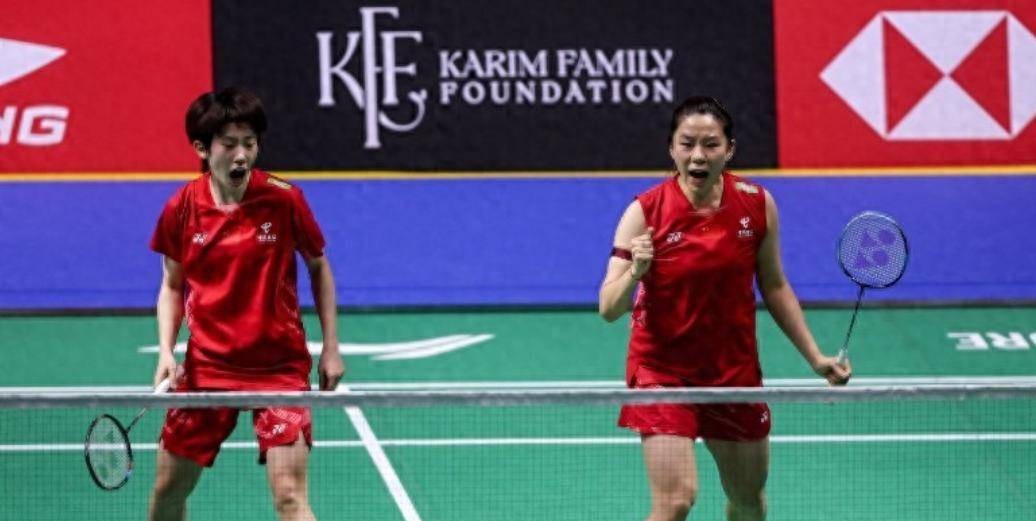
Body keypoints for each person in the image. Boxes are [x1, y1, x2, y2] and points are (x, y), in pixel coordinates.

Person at [598, 96, 851, 521]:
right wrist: (636, 273)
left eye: (711, 144)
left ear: (729, 149)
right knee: (675, 501)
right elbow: (608, 307)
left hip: (733, 372)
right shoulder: (645, 212)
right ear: (671, 148)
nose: (698, 155)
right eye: (687, 143)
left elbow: (774, 285)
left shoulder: (756, 204)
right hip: (662, 370)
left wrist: (815, 358)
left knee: (747, 499)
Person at [147, 87, 344, 521]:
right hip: (207, 368)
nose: (242, 156)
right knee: (166, 491)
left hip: (278, 368)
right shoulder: (181, 207)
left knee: (289, 496)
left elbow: (319, 267)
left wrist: (331, 347)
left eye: (250, 144)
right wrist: (165, 351)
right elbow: (172, 286)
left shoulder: (283, 198)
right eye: (229, 144)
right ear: (202, 148)